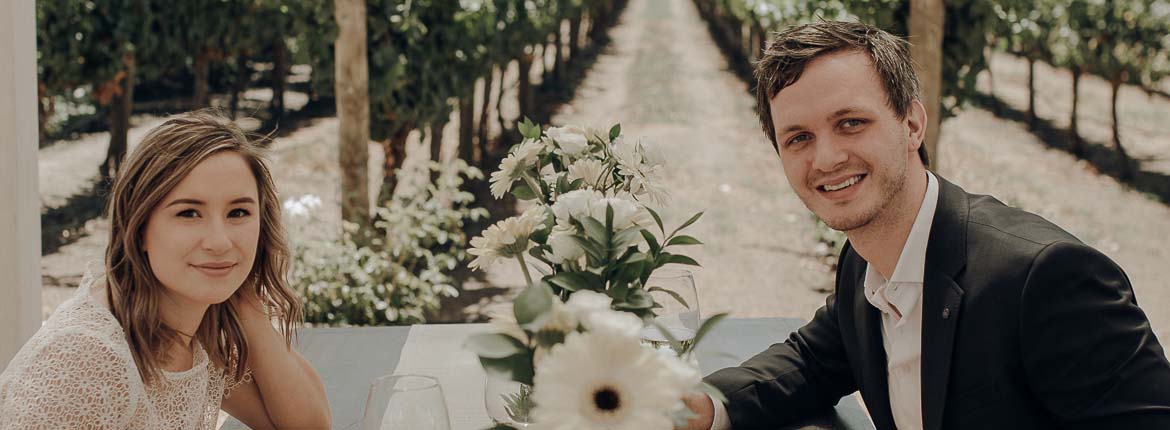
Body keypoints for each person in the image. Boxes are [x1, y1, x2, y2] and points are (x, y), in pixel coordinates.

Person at [682, 21, 1170, 430]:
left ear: (913, 124)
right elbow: (817, 359)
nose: (826, 158)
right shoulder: (865, 261)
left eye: (851, 122)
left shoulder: (1045, 279)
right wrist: (706, 406)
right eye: (799, 138)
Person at [0, 110, 331, 429]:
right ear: (140, 227)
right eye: (188, 213)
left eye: (238, 212)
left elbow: (308, 424)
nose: (220, 241)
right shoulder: (86, 358)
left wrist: (247, 306)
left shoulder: (195, 325)